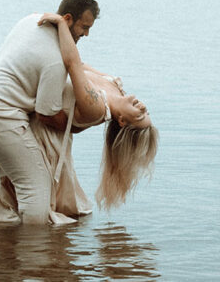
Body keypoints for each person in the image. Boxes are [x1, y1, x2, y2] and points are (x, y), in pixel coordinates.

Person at [0, 0, 100, 225]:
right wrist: (79, 125)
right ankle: (34, 255)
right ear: (67, 19)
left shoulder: (30, 21)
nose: (86, 34)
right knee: (36, 190)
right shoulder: (56, 59)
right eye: (84, 27)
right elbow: (46, 114)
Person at [36, 12, 158, 213]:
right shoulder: (116, 86)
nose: (142, 107)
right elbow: (81, 63)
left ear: (122, 121)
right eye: (147, 111)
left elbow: (73, 64)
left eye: (139, 115)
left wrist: (61, 24)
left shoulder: (96, 108)